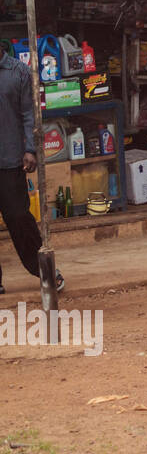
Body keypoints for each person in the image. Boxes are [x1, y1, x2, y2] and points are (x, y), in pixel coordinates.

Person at [0, 52, 63, 295]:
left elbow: (30, 115)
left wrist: (31, 149)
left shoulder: (18, 72)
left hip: (9, 159)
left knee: (19, 218)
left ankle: (46, 272)